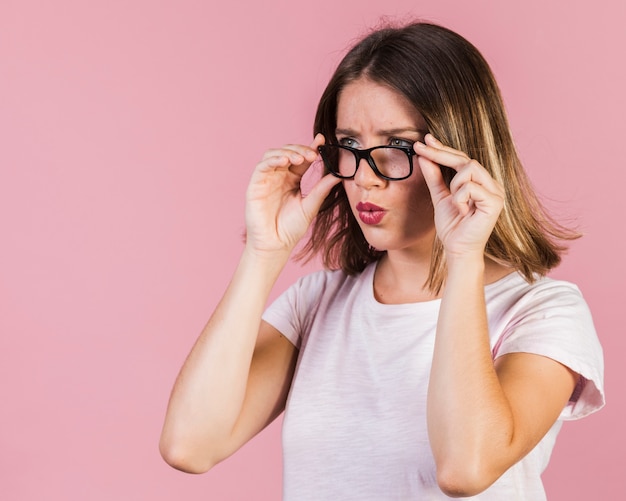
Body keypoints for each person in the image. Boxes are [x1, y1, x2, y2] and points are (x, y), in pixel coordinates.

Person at [159, 21, 604, 500]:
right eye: (348, 146)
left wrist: (463, 258)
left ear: (459, 153)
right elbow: (189, 445)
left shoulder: (543, 311)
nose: (365, 179)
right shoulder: (317, 304)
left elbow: (465, 467)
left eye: (395, 148)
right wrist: (263, 253)